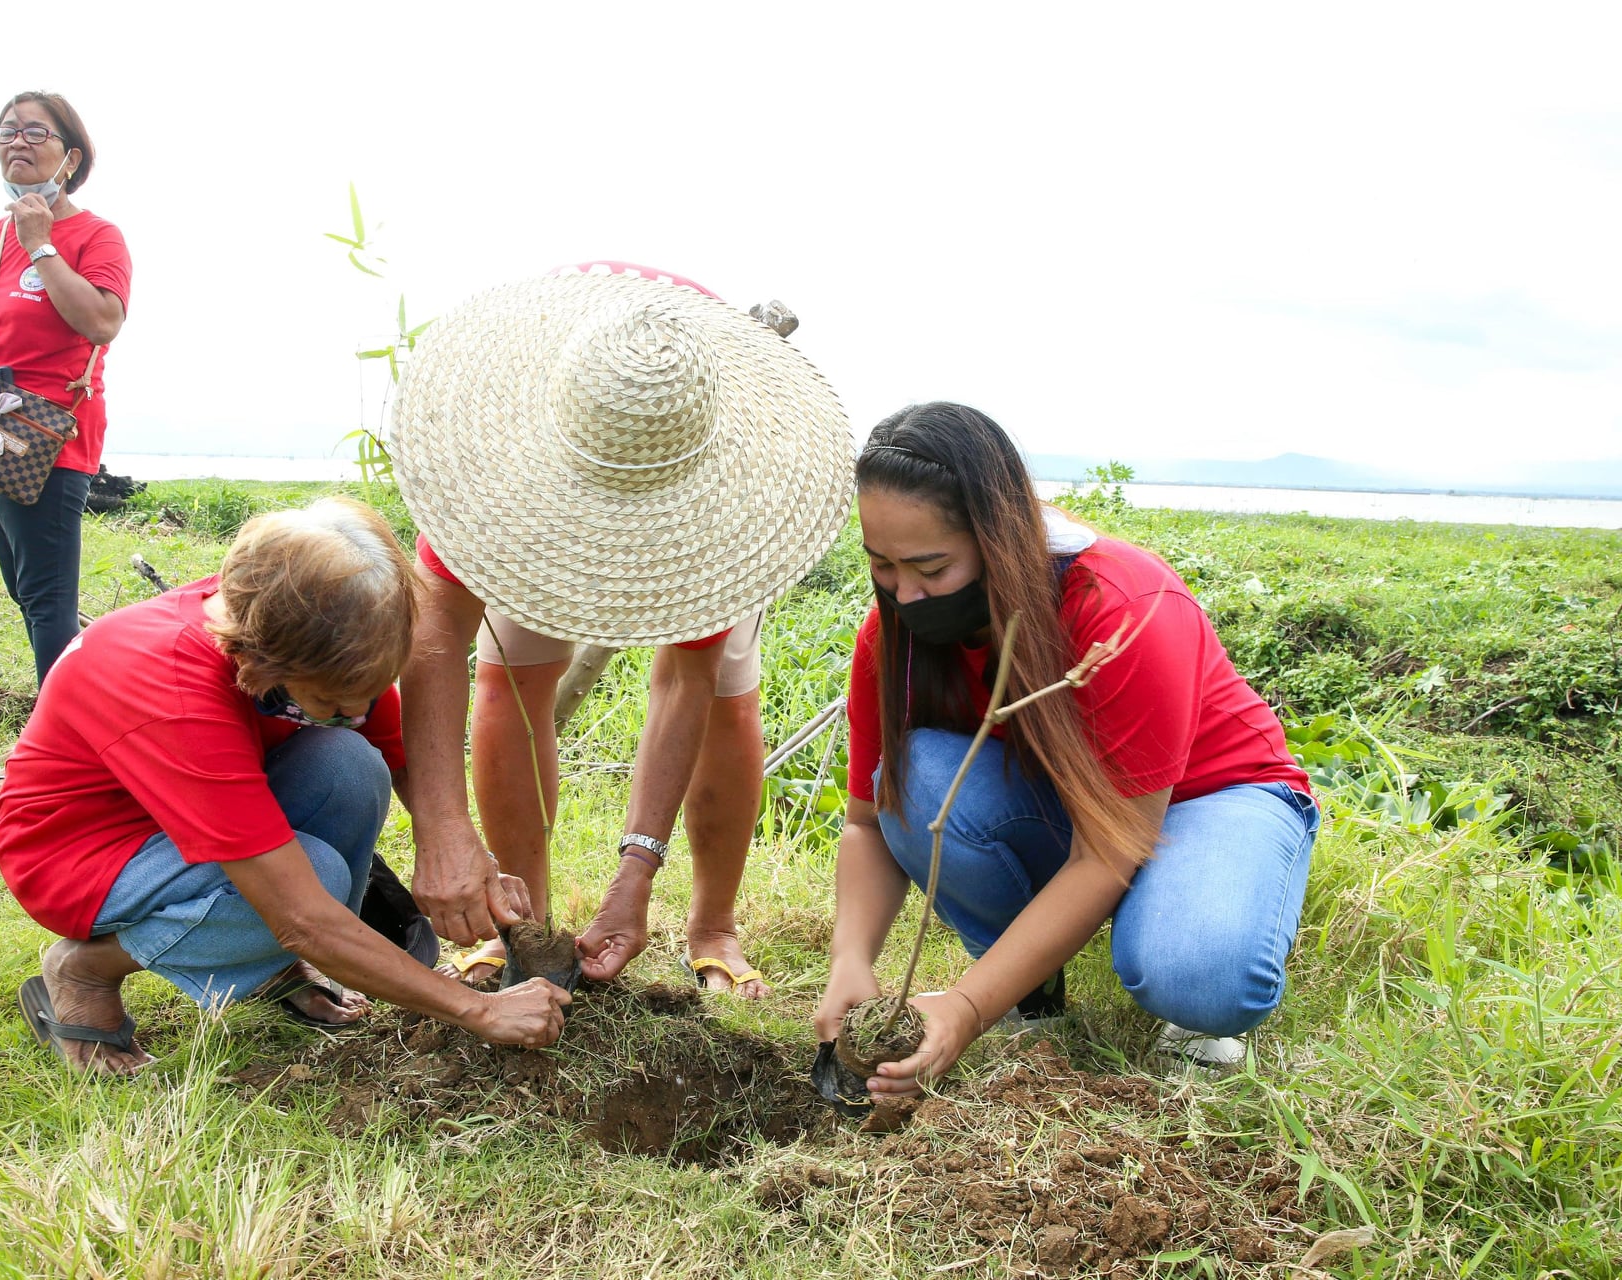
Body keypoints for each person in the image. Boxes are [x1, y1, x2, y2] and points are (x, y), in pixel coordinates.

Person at [814, 402, 1318, 1093]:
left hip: (1211, 798)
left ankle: (1197, 941)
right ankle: (1025, 982)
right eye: (882, 566)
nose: (905, 593)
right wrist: (850, 959)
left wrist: (964, 1007)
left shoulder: (1123, 607)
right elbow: (869, 822)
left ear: (999, 538)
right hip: (1067, 804)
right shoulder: (892, 637)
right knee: (918, 774)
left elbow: (1109, 848)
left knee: (1198, 977)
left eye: (930, 567)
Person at [388, 263, 853, 996]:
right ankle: (525, 924)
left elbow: (683, 680)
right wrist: (441, 828)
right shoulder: (486, 463)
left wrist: (636, 872)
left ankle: (713, 925)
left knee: (729, 694)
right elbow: (436, 642)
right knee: (508, 675)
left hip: (696, 464)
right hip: (553, 447)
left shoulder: (727, 492)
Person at [0, 498, 570, 1074]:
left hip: (200, 817)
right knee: (313, 878)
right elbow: (301, 915)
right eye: (331, 701)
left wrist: (467, 856)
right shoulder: (171, 687)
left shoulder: (309, 629)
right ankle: (86, 970)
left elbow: (400, 761)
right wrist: (479, 1011)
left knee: (349, 760)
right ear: (256, 660)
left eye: (367, 694)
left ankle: (271, 966)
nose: (357, 710)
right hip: (83, 854)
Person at [0, 93, 131, 791]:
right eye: (6, 131)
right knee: (29, 593)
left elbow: (102, 323)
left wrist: (43, 243)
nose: (17, 142)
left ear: (70, 156)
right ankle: (89, 721)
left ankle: (54, 765)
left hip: (42, 434)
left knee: (47, 598)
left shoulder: (94, 236)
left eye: (35, 132)